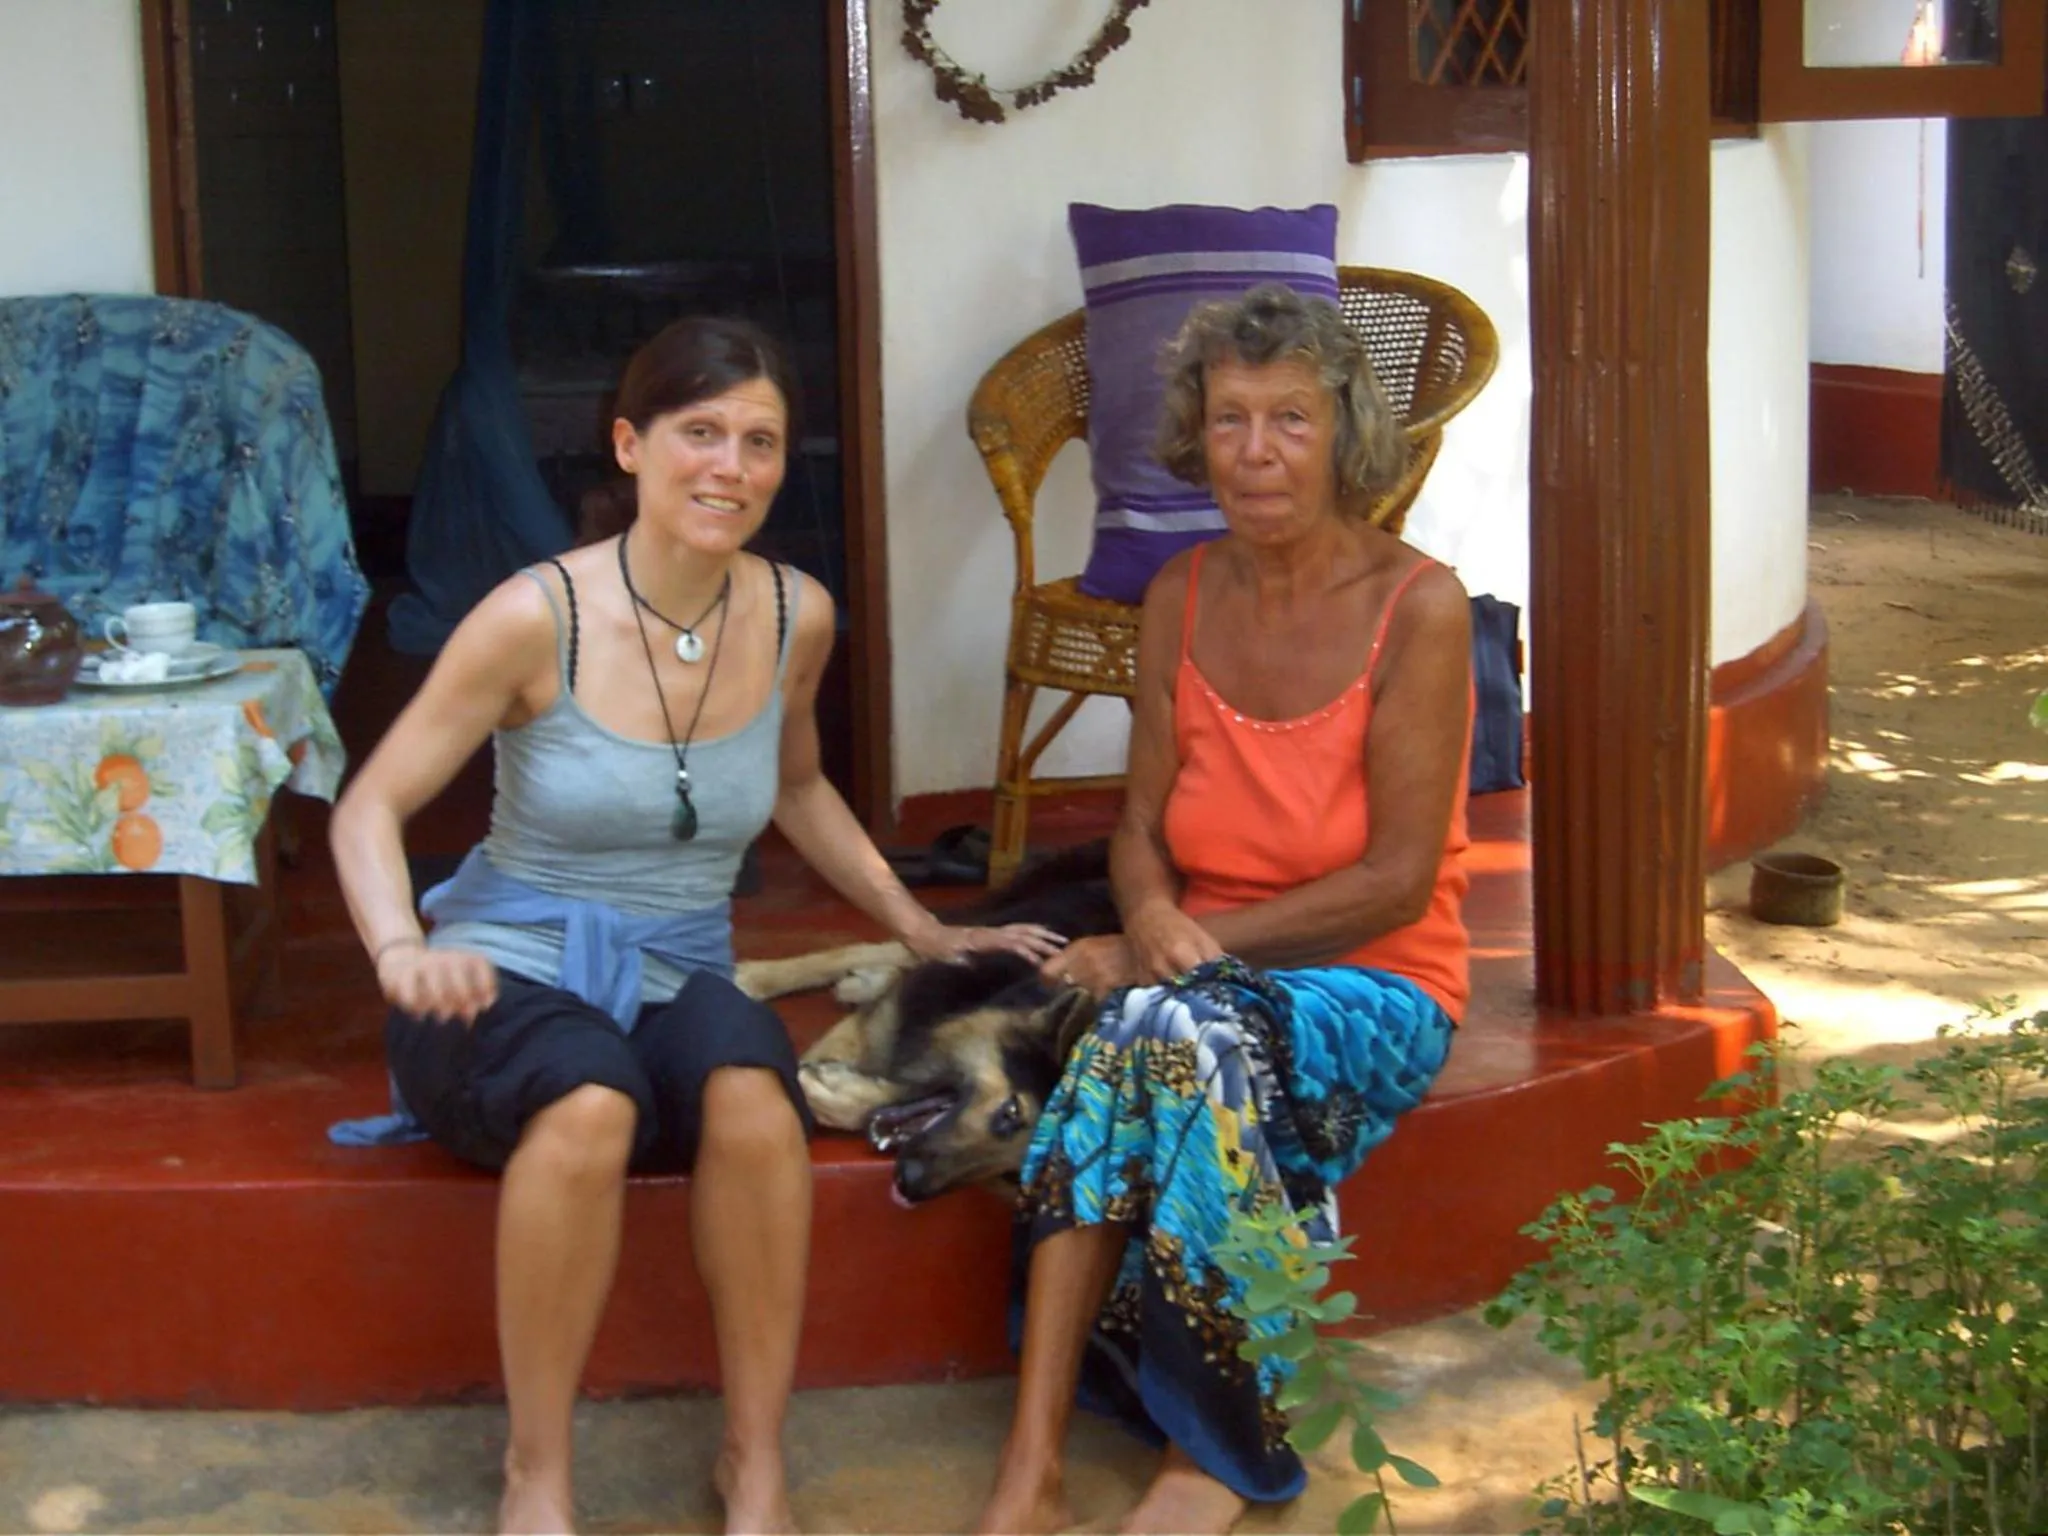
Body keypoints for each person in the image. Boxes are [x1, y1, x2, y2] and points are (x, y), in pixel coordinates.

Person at [327, 315, 1060, 1536]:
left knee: (751, 1096)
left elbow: (796, 787)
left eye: (759, 442)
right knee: (588, 1098)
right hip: (501, 973)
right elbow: (371, 807)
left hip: (674, 970)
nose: (730, 467)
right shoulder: (532, 617)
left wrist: (917, 926)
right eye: (699, 433)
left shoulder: (793, 615)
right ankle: (537, 1477)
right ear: (630, 446)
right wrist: (403, 950)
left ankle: (755, 1461)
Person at [975, 283, 1474, 1536]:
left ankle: (1205, 1457)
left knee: (1171, 1033)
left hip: (1375, 980)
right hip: (1198, 974)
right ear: (1196, 438)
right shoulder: (1179, 597)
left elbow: (1396, 881)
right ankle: (1027, 1466)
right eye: (1229, 419)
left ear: (1343, 433)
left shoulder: (1417, 608)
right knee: (1154, 1036)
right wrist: (1149, 921)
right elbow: (1139, 827)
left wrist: (1178, 951)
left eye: (1289, 420)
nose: (1254, 453)